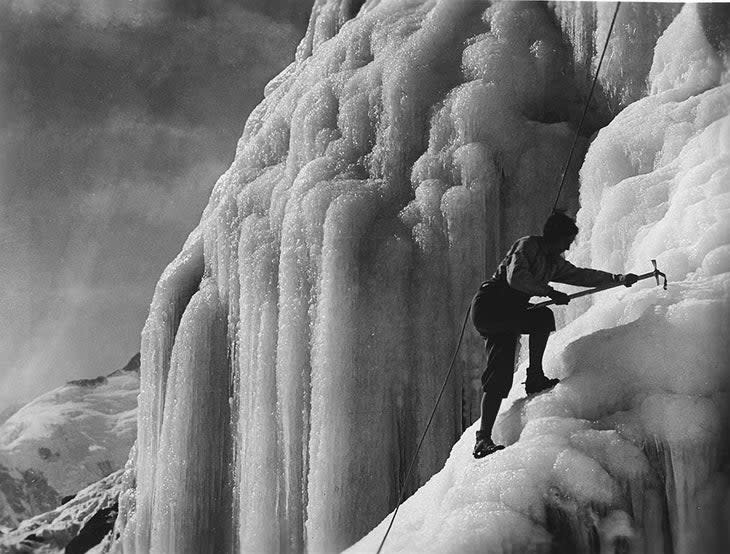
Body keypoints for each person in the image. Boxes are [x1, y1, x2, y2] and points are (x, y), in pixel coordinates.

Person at [471, 212, 638, 458]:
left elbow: (581, 275)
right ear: (556, 237)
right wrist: (548, 291)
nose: (569, 247)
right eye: (567, 241)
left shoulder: (553, 262)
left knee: (539, 323)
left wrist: (617, 279)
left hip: (510, 312)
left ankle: (533, 379)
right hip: (491, 307)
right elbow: (515, 277)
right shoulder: (527, 245)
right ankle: (484, 437)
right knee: (506, 363)